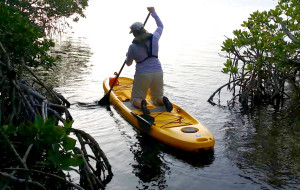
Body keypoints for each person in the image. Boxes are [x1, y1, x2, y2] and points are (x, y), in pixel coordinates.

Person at [125, 7, 173, 115]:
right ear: (143, 29)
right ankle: (163, 99)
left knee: (135, 99)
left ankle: (141, 102)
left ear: (134, 33)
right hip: (158, 71)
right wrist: (153, 13)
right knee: (156, 98)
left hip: (143, 74)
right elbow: (161, 26)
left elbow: (128, 63)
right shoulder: (154, 37)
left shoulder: (132, 47)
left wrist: (127, 55)